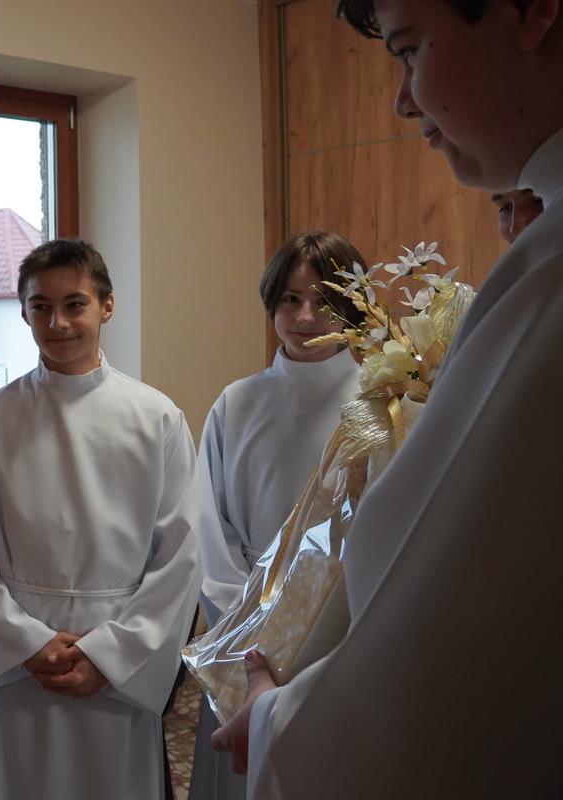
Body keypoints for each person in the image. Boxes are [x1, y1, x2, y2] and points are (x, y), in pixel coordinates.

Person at [211, 2, 563, 797]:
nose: (402, 101)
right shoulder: (236, 403)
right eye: (289, 299)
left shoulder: (543, 278)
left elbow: (462, 624)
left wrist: (282, 719)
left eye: (407, 51)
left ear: (533, 12)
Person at [0, 239, 201, 800]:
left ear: (107, 306)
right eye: (40, 307)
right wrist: (27, 644)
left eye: (74, 304)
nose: (57, 322)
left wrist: (111, 655)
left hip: (116, 663)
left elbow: (180, 556)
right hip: (21, 664)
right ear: (24, 311)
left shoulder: (157, 419)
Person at [189, 231, 365, 800]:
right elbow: (209, 529)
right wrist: (254, 632)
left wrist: (314, 631)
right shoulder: (236, 403)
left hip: (338, 638)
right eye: (290, 299)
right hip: (243, 642)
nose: (306, 317)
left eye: (324, 300)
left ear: (352, 305)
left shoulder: (378, 403)